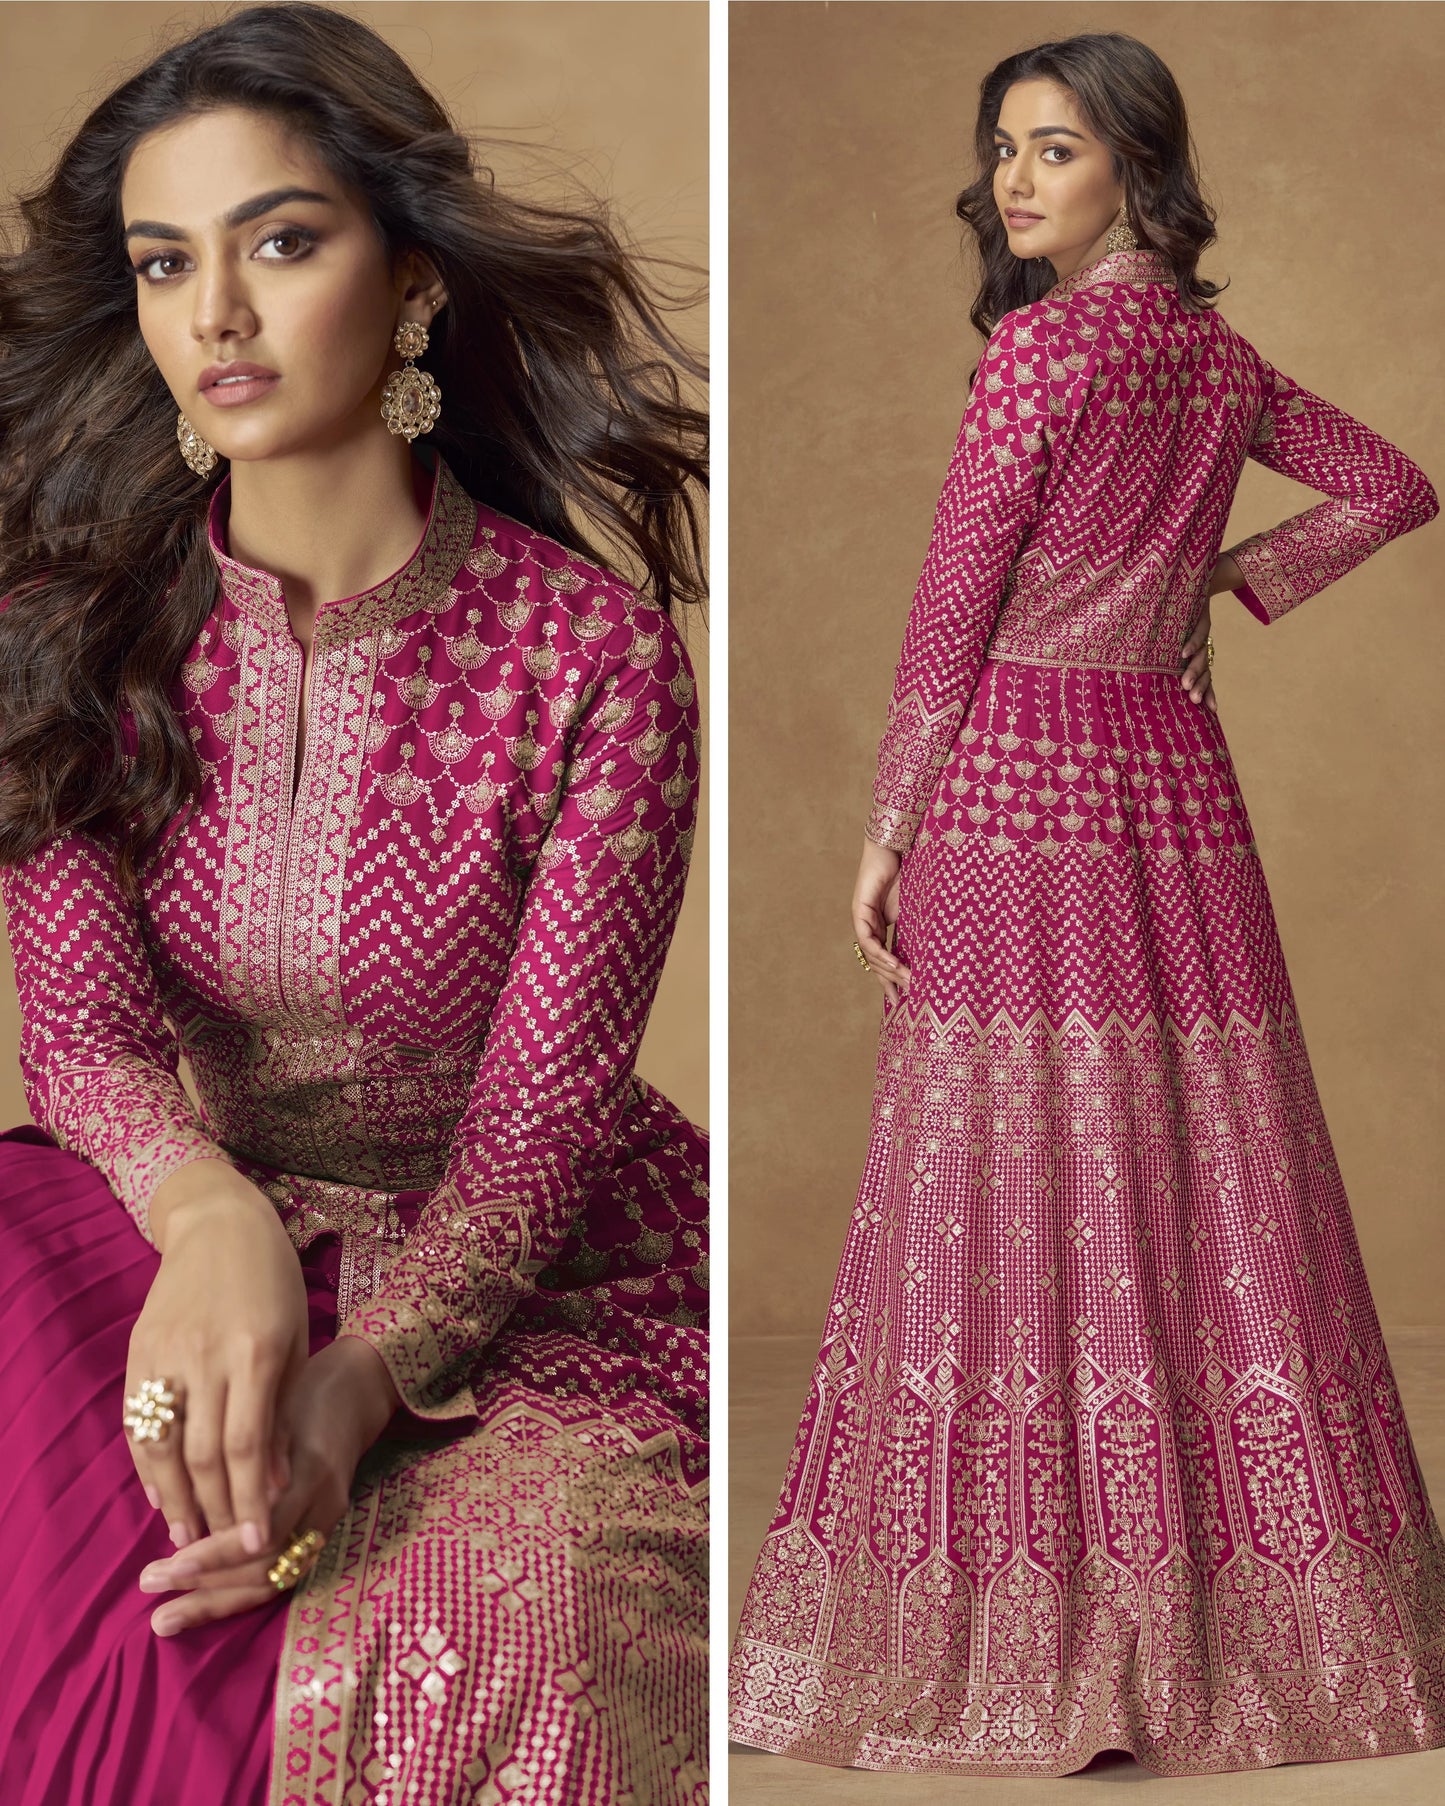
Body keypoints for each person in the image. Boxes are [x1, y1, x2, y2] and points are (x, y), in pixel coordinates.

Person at [0, 6, 708, 1801]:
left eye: (282, 241)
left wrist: (359, 1382)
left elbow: (538, 1131)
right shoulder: (77, 634)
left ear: (408, 283)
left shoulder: (593, 660)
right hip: (160, 1201)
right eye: (168, 262)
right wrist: (213, 1225)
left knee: (523, 1645)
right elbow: (78, 1032)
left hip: (517, 1276)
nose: (214, 314)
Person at [730, 29, 1445, 1780]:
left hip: (1009, 780)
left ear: (1133, 162)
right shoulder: (1216, 358)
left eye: (1051, 149)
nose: (1012, 182)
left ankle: (1029, 1629)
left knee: (999, 1168)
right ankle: (1258, 1621)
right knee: (1201, 1148)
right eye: (1001, 150)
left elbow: (948, 605)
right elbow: (1397, 484)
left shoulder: (1038, 359)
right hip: (1171, 781)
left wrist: (887, 823)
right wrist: (1222, 579)